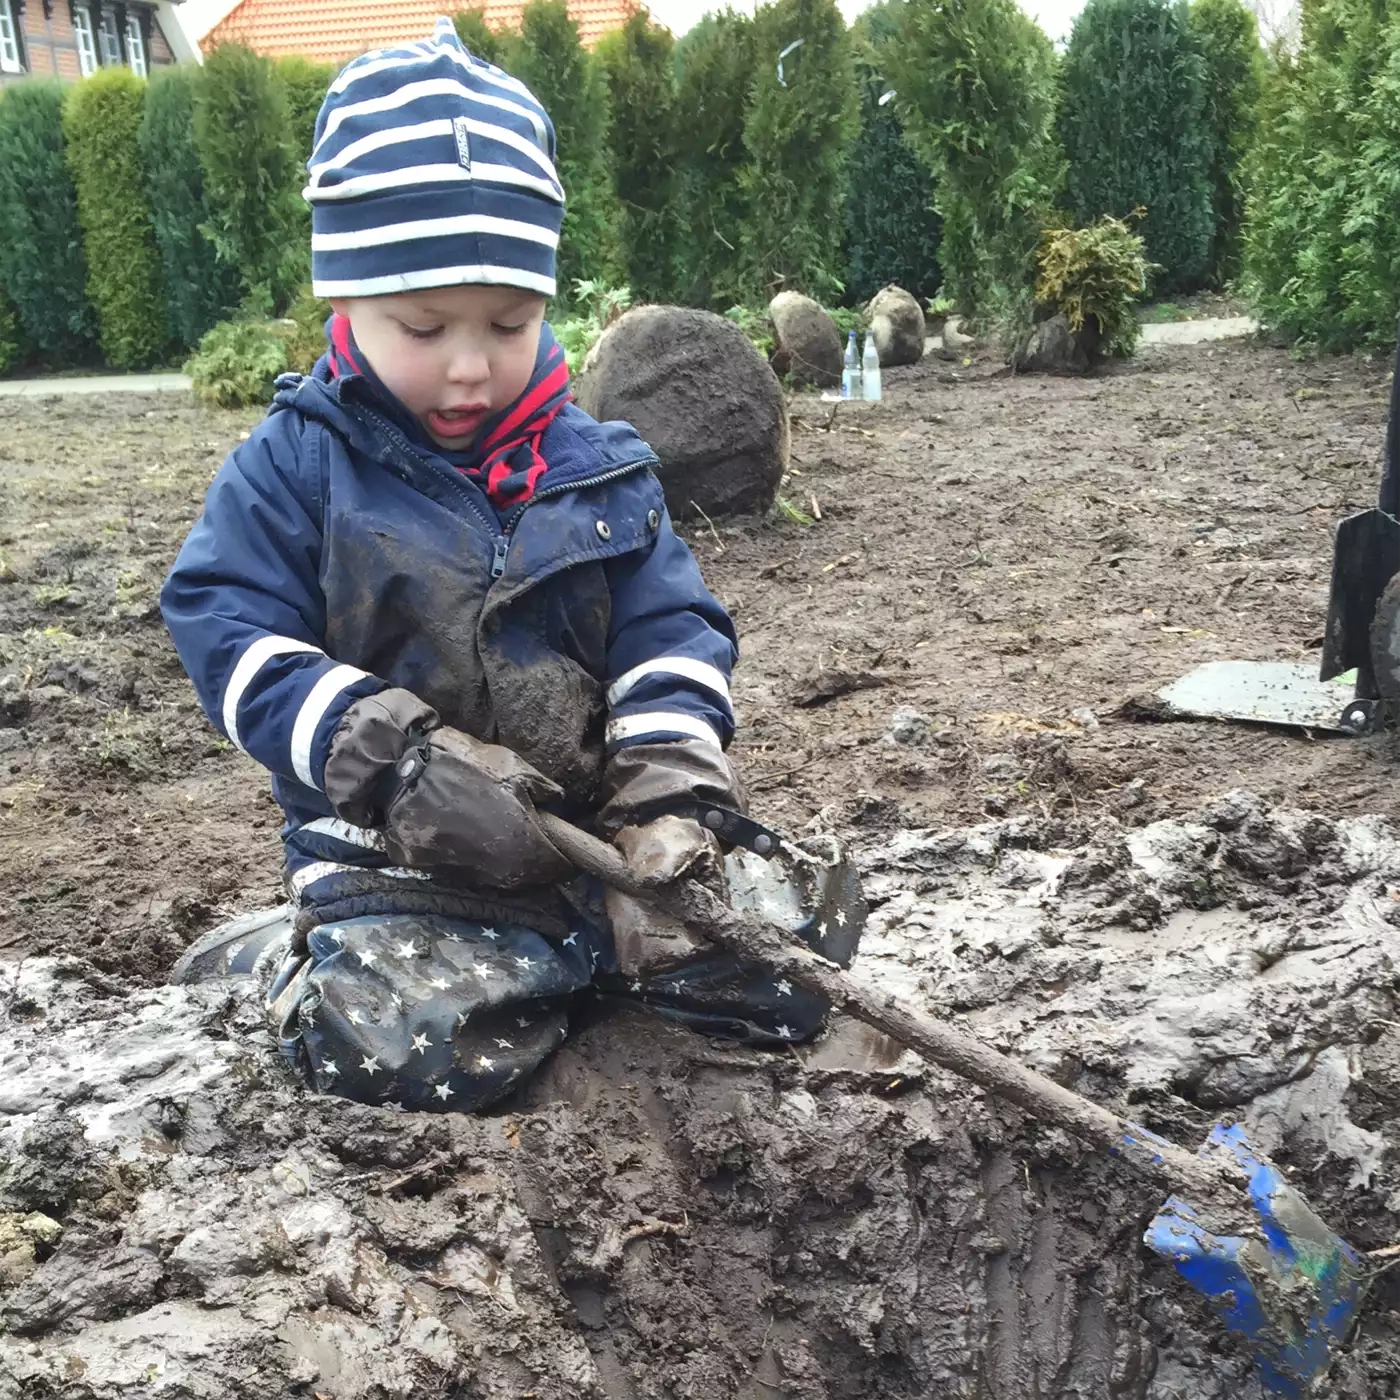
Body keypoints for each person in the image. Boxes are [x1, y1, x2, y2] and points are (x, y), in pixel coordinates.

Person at [160, 17, 829, 1113]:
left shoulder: (601, 465)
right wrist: (394, 762)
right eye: (423, 328)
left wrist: (668, 781)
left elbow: (672, 626)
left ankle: (584, 955)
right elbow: (224, 628)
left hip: (598, 850)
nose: (469, 367)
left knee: (785, 964)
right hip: (399, 864)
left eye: (510, 323)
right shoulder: (295, 468)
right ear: (344, 301)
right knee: (414, 1048)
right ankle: (285, 957)